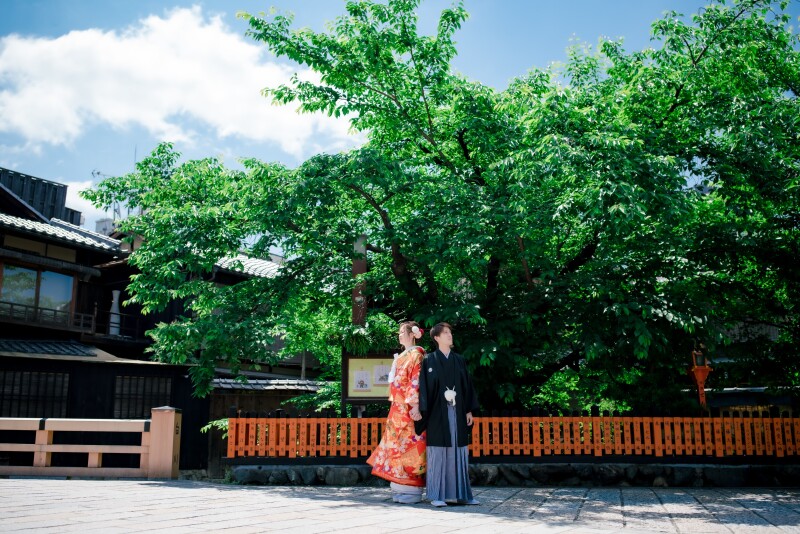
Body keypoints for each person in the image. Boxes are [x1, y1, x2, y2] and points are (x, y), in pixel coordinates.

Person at [417, 322, 479, 507]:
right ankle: (436, 495)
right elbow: (424, 389)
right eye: (445, 333)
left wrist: (468, 409)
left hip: (457, 410)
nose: (449, 335)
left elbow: (467, 385)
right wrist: (421, 410)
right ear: (436, 338)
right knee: (438, 451)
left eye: (450, 332)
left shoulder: (459, 360)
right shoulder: (429, 360)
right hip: (437, 412)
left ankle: (462, 495)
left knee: (458, 450)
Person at [367, 321, 427, 503]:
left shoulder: (417, 354)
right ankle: (398, 487)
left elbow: (415, 381)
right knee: (395, 445)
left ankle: (411, 489)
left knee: (410, 445)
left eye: (402, 332)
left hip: (408, 409)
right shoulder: (403, 356)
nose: (399, 335)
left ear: (412, 334)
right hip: (397, 408)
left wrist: (415, 405)